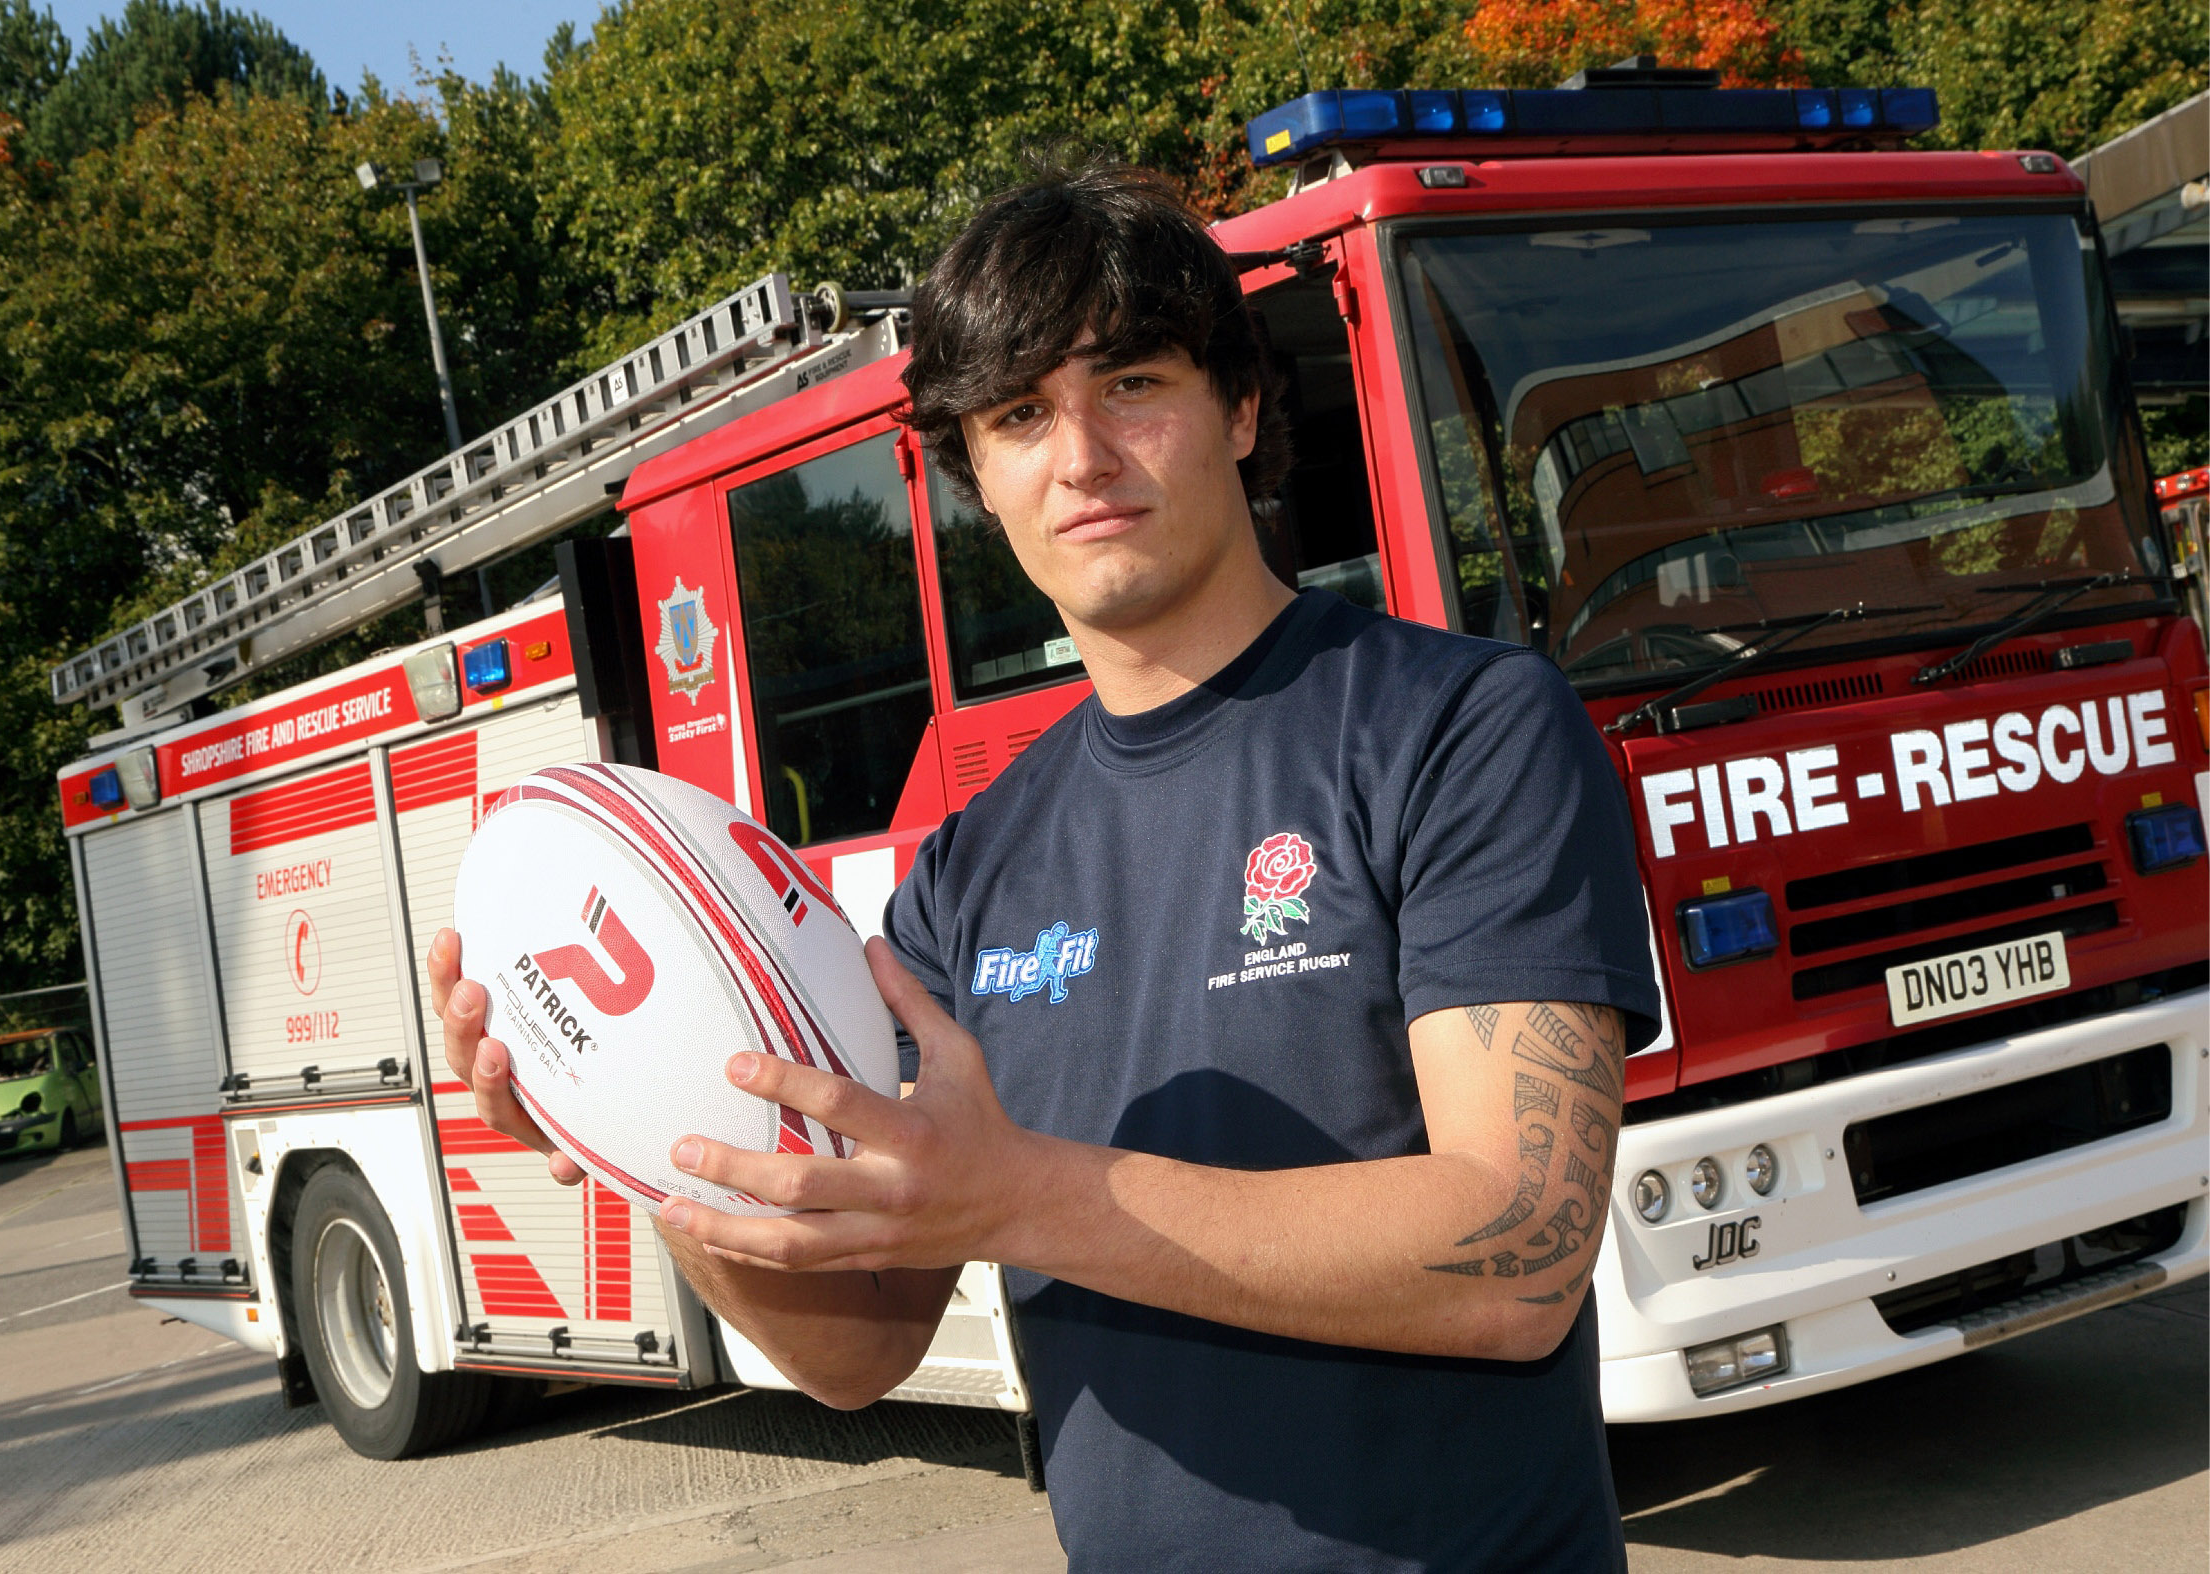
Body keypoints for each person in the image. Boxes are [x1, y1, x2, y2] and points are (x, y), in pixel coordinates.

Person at [430, 161, 1659, 1572]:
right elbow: (860, 1351)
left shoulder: (1462, 725)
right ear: (975, 479)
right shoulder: (967, 870)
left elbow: (1523, 1247)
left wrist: (1021, 1194)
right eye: (1021, 415)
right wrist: (639, 1129)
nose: (1083, 456)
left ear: (1241, 409)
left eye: (1133, 382)